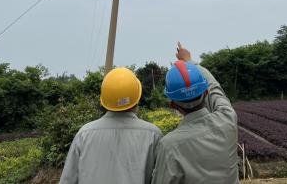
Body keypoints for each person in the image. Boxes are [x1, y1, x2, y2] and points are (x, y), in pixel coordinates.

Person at [151, 43, 239, 184]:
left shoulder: (169, 146)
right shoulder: (227, 119)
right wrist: (189, 61)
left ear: (173, 104)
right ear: (205, 93)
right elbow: (214, 87)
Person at [60, 67, 163, 184]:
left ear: (104, 100)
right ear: (137, 98)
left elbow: (68, 180)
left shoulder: (84, 134)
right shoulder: (153, 135)